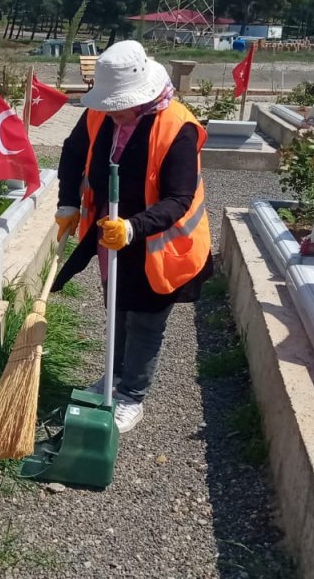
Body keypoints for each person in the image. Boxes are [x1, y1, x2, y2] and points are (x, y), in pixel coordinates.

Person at [52, 40, 214, 434]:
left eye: (119, 106)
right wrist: (68, 202)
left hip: (163, 244)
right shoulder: (101, 114)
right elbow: (74, 153)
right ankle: (112, 378)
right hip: (112, 237)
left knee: (145, 320)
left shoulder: (178, 128)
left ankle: (131, 396)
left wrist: (132, 227)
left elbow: (179, 198)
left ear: (143, 97)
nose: (113, 113)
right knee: (117, 309)